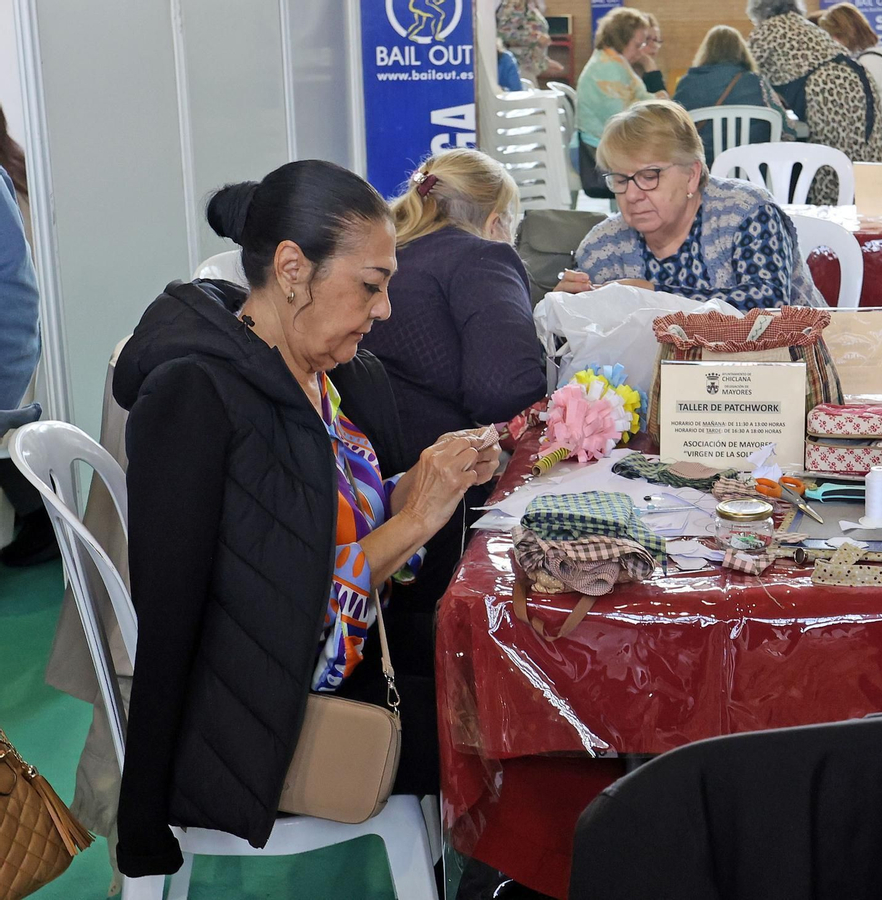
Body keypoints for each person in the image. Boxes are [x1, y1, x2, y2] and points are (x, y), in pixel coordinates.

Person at [112, 160, 501, 877]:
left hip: (328, 675)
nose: (384, 310)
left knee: (514, 681)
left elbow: (307, 529)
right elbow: (264, 617)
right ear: (292, 268)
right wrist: (414, 520)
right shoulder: (196, 396)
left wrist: (424, 483)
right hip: (252, 723)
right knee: (513, 727)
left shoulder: (321, 378)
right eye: (372, 285)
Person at [360, 148, 545, 610]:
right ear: (497, 219)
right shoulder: (486, 255)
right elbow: (504, 389)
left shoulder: (390, 256)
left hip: (364, 482)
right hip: (441, 498)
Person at [559, 99, 822, 309]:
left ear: (692, 175)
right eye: (620, 179)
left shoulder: (747, 213)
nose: (631, 195)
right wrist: (563, 310)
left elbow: (770, 307)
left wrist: (651, 295)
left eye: (649, 176)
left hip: (792, 366)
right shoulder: (602, 248)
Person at [748, 0, 882, 204]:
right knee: (858, 158)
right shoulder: (803, 25)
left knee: (829, 163)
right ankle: (864, 215)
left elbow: (743, 70)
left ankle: (830, 220)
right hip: (858, 83)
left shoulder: (767, 31)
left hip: (830, 90)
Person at [0, 102, 45, 568]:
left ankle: (40, 518)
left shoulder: (6, 181)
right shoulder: (18, 166)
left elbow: (16, 294)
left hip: (26, 340)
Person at [672, 25, 795, 165]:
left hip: (706, 174)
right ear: (741, 51)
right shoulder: (757, 82)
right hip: (754, 174)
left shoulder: (687, 83)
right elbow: (788, 129)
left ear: (706, 51)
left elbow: (674, 131)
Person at [575, 7, 666, 196]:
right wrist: (661, 98)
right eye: (638, 45)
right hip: (600, 152)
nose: (641, 51)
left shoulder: (610, 61)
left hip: (601, 143)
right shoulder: (608, 69)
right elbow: (624, 119)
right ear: (622, 39)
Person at [816, 2, 882, 153]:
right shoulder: (876, 56)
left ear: (842, 35)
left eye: (832, 37)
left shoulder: (868, 63)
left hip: (869, 143)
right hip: (872, 136)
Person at [497, 0, 563, 83]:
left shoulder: (531, 3)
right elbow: (503, 33)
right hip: (520, 68)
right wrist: (535, 38)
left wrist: (543, 62)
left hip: (529, 67)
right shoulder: (515, 3)